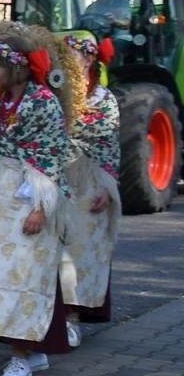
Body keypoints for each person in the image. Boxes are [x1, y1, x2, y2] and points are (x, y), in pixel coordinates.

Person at [0, 35, 72, 376]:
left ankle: (20, 357)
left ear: (14, 67)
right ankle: (33, 349)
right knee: (1, 271)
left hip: (29, 195)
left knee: (24, 272)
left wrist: (39, 209)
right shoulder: (0, 103)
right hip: (2, 194)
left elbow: (49, 158)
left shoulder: (42, 103)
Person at [58, 35, 120, 347]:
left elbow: (108, 145)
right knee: (53, 250)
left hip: (86, 178)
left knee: (78, 250)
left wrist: (107, 188)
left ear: (88, 60)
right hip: (56, 177)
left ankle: (72, 318)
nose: (67, 64)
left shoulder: (102, 100)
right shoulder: (53, 94)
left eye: (73, 57)